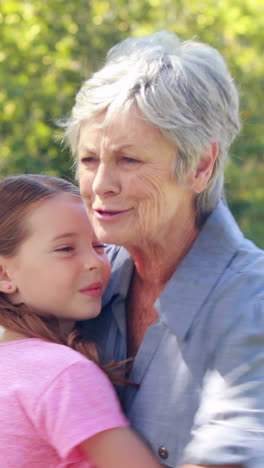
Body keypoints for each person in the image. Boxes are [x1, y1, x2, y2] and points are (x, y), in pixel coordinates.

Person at [63, 31, 264, 468]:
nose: (100, 186)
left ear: (200, 166)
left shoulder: (253, 303)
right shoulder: (79, 271)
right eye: (90, 159)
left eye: (129, 160)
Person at [0, 174, 162, 468]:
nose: (95, 262)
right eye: (66, 249)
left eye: (99, 246)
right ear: (4, 274)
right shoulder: (63, 374)